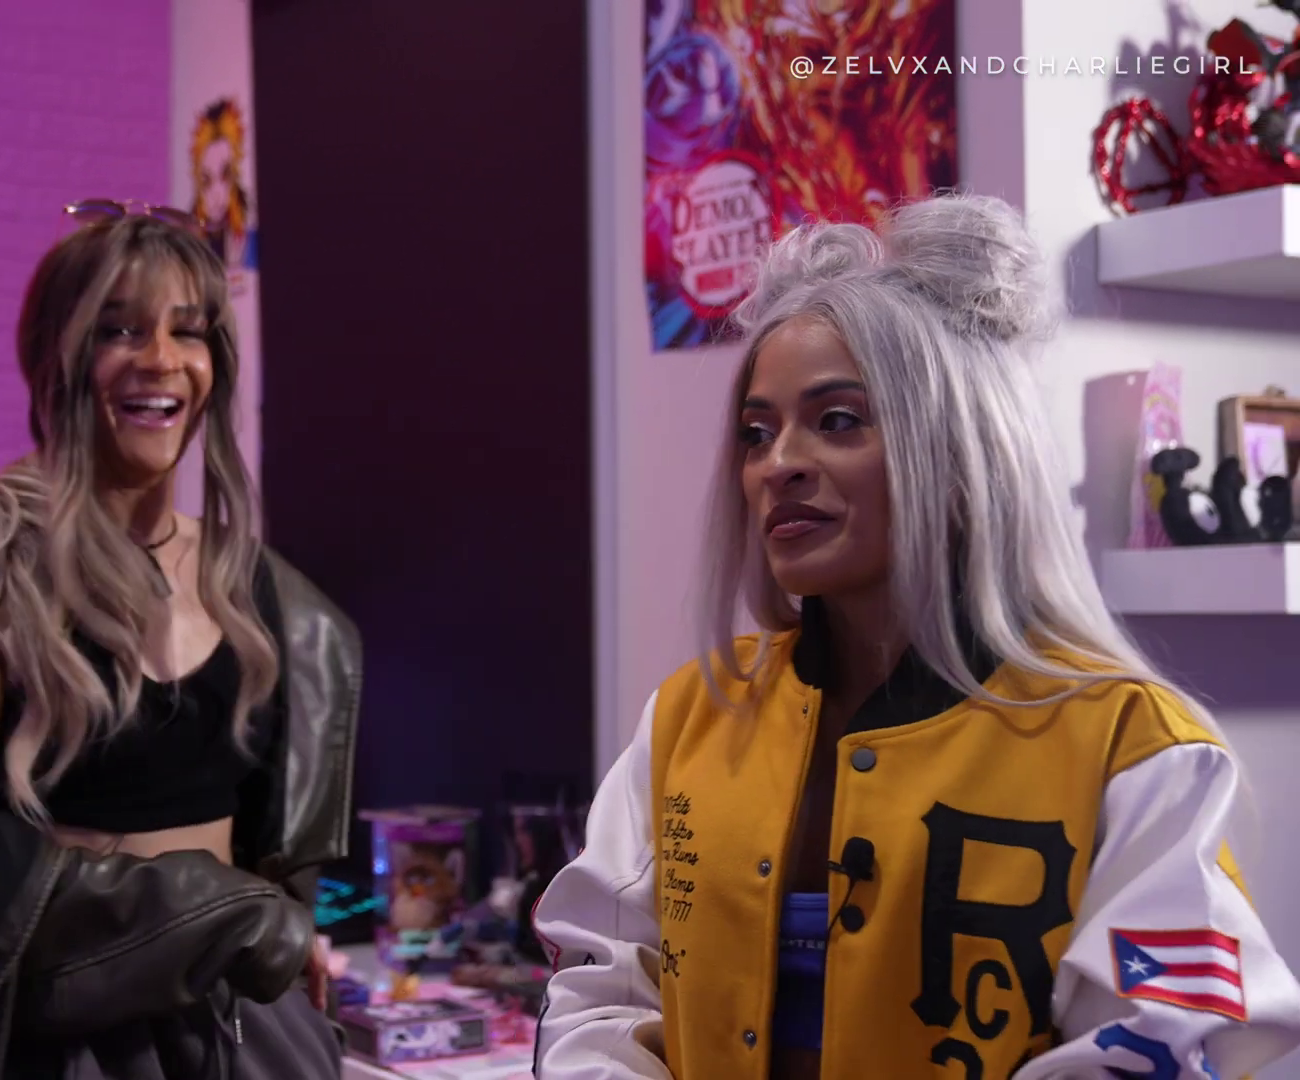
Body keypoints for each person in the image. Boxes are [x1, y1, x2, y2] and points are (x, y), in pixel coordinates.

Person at [532, 194, 1300, 1080]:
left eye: (838, 420)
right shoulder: (689, 717)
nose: (779, 464)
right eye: (756, 433)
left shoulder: (1132, 749)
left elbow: (1160, 1041)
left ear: (962, 449)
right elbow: (602, 988)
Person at [0, 199, 362, 1080]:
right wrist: (227, 915)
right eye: (119, 330)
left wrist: (272, 929)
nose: (159, 359)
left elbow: (282, 858)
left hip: (243, 1034)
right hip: (63, 1045)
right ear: (55, 357)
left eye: (187, 332)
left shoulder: (271, 597)